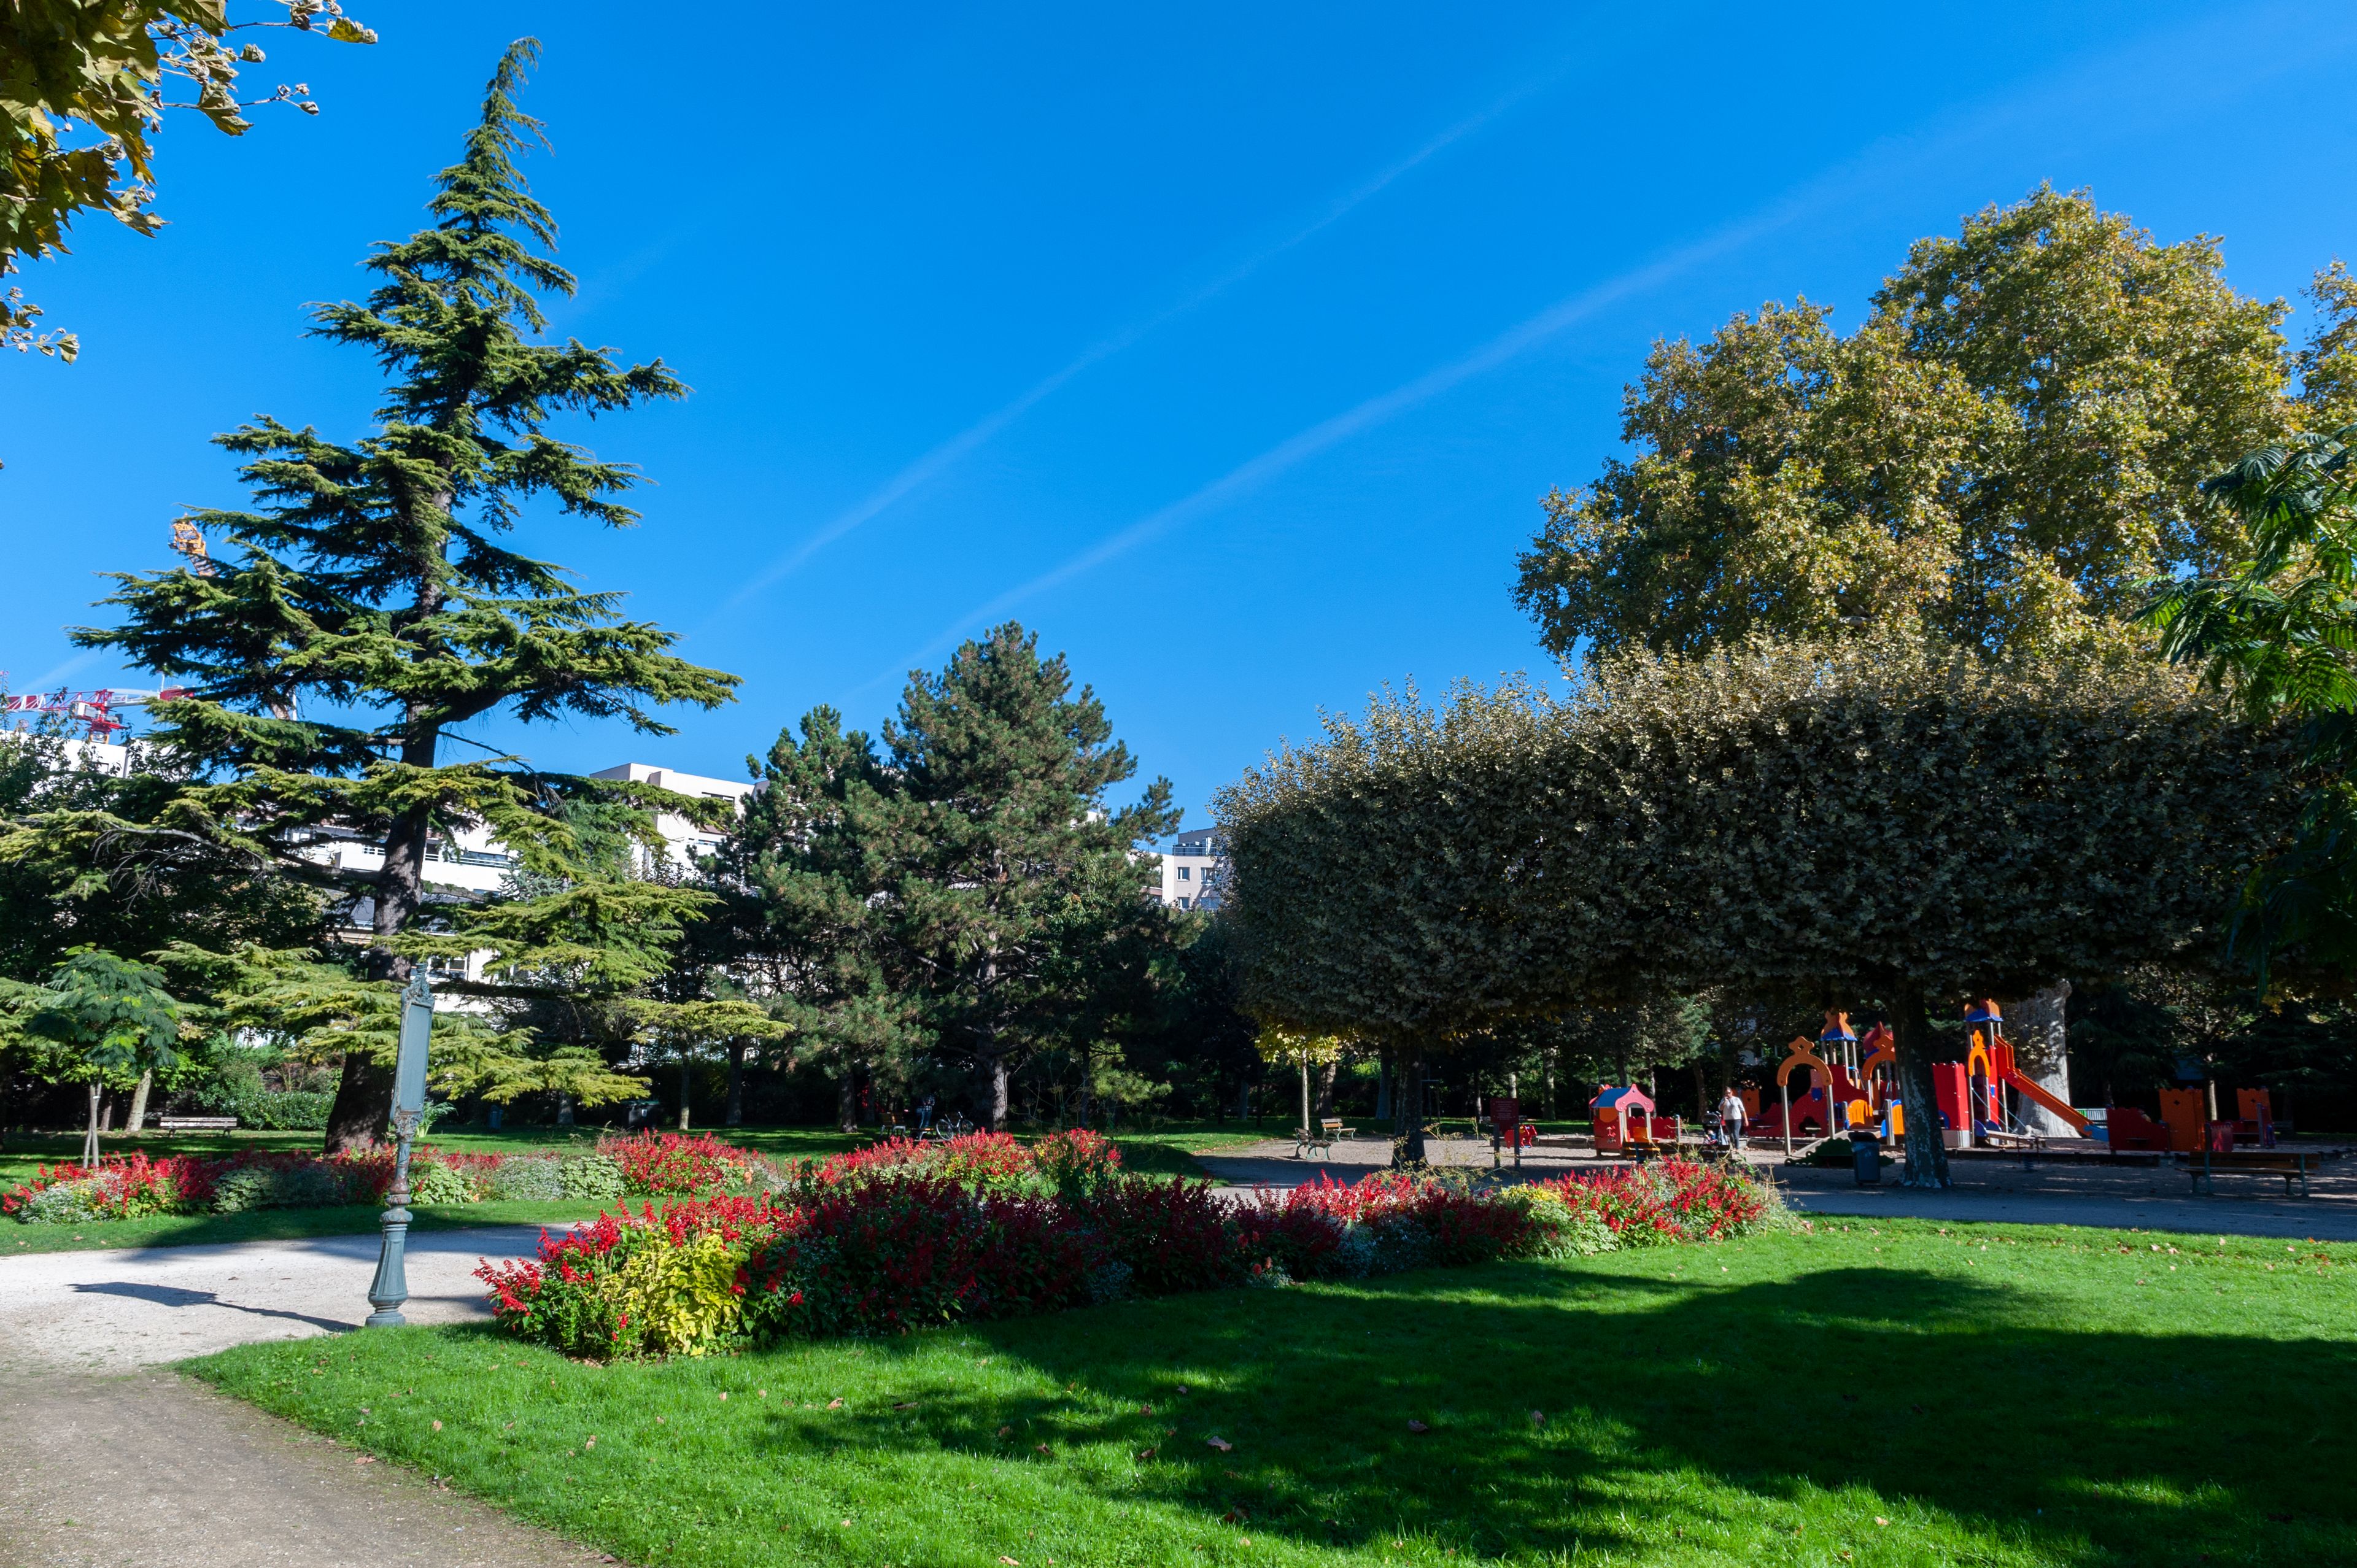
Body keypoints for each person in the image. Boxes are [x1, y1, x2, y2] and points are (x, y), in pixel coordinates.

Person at [1717, 1086, 1750, 1152]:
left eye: (1729, 1093)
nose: (1727, 1094)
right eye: (1726, 1093)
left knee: (1735, 1133)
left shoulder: (1737, 1099)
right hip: (1727, 1119)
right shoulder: (1724, 1100)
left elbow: (1743, 1110)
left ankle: (1737, 1148)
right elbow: (1720, 1108)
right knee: (1731, 1134)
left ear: (1732, 1093)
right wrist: (1725, 1102)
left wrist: (1746, 1119)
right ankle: (1733, 1146)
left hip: (1736, 1119)